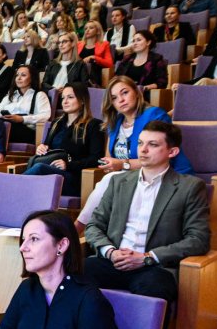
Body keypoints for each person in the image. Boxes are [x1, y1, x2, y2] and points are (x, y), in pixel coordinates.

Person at [84, 121, 210, 309]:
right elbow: (94, 225)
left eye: (153, 144)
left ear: (172, 152)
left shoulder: (190, 187)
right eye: (140, 143)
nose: (143, 150)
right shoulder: (119, 181)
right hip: (113, 260)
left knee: (154, 287)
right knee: (70, 273)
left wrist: (146, 257)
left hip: (154, 267)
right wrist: (110, 252)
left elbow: (198, 239)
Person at [76, 76, 192, 233]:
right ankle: (96, 235)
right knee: (112, 181)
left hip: (164, 174)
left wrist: (122, 164)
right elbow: (110, 157)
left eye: (125, 93)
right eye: (115, 98)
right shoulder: (115, 122)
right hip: (131, 178)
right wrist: (111, 165)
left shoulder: (154, 115)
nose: (121, 100)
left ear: (137, 93)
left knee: (111, 180)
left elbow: (156, 156)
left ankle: (79, 228)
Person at [23, 83, 105, 196]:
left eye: (70, 97)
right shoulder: (57, 123)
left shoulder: (93, 125)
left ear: (82, 100)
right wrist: (42, 148)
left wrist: (68, 165)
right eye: (63, 98)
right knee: (39, 168)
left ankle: (13, 188)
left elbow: (96, 158)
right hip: (50, 172)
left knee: (40, 168)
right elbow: (47, 148)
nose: (65, 101)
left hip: (74, 177)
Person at [0, 65, 50, 145]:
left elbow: (45, 116)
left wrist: (22, 119)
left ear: (32, 78)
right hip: (7, 125)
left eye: (23, 75)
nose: (18, 78)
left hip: (27, 131)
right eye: (17, 75)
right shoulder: (11, 95)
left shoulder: (39, 95)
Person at [78, 20, 113, 86]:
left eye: (91, 28)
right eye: (86, 28)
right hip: (78, 73)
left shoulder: (104, 44)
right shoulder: (78, 44)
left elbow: (109, 64)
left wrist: (94, 57)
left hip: (94, 74)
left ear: (98, 31)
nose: (87, 30)